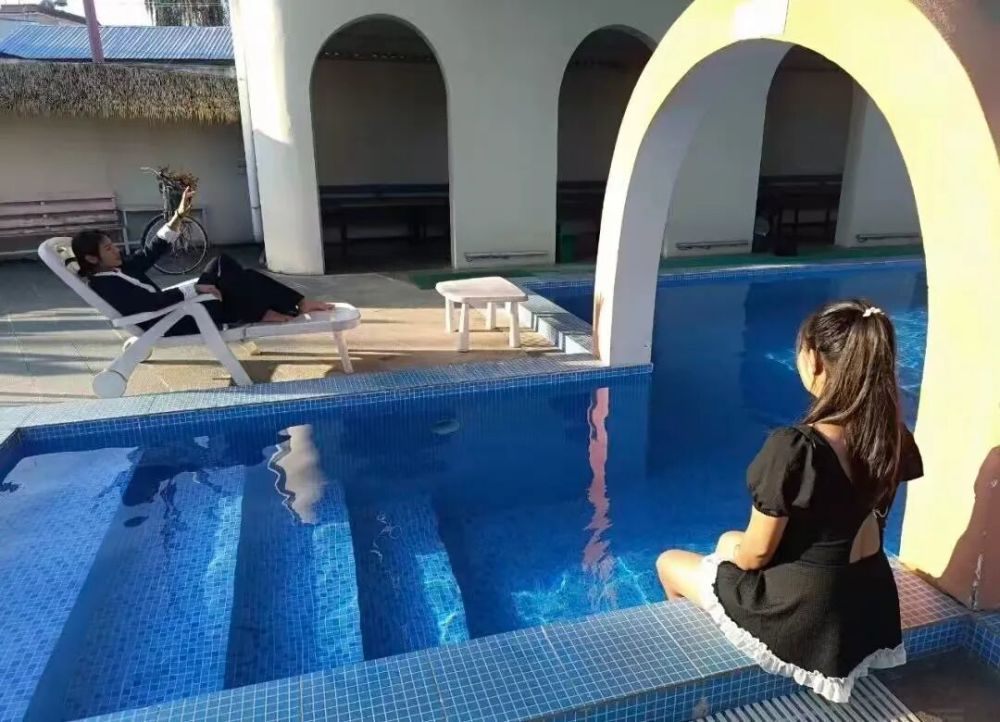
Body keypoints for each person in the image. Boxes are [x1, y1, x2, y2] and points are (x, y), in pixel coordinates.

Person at [655, 299, 923, 704]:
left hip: (812, 613)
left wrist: (730, 553)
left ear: (815, 361)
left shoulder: (797, 448)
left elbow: (756, 556)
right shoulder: (892, 437)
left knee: (670, 562)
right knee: (727, 543)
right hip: (870, 603)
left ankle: (693, 678)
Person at [70, 188, 331, 336]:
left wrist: (178, 216)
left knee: (226, 266)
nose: (115, 249)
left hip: (174, 309)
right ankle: (268, 310)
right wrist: (193, 289)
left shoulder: (119, 267)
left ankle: (287, 306)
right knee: (237, 280)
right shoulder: (105, 285)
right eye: (108, 248)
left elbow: (153, 250)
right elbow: (151, 304)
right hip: (172, 320)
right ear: (92, 258)